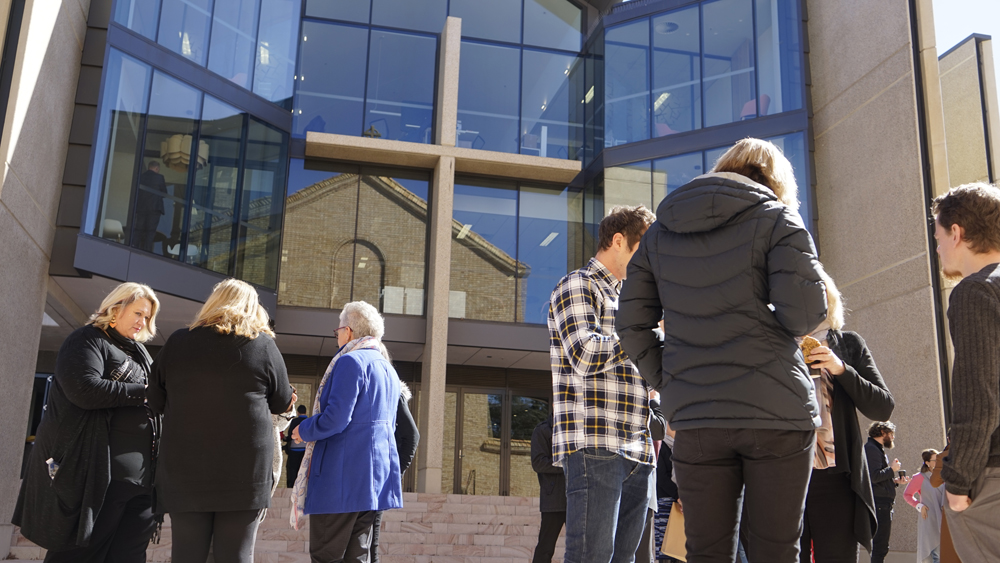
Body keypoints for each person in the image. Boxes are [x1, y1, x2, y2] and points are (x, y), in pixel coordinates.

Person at [617, 137, 827, 563]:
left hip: (698, 417)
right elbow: (804, 315)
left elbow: (631, 324)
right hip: (776, 410)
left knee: (706, 553)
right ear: (775, 180)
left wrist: (672, 382)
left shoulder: (659, 232)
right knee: (776, 551)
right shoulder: (778, 218)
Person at [147, 278, 295, 563]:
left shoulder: (177, 341)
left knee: (186, 557)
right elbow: (280, 402)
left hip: (184, 472)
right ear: (252, 308)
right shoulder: (263, 345)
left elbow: (154, 401)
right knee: (237, 556)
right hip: (244, 475)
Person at [13, 282, 161, 561]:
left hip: (143, 481)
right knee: (80, 554)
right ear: (116, 309)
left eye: (148, 317)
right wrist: (146, 393)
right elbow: (84, 389)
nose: (144, 321)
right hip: (99, 478)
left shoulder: (140, 354)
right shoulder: (88, 339)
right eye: (138, 313)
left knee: (128, 557)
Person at [548, 204, 657, 563]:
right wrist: (646, 335)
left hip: (640, 450)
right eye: (644, 248)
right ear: (618, 240)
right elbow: (584, 354)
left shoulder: (635, 300)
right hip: (595, 442)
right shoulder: (577, 284)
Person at [290, 301, 403, 563]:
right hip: (372, 483)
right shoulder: (388, 370)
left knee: (326, 555)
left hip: (341, 481)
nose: (337, 337)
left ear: (349, 331)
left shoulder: (350, 362)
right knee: (357, 557)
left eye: (338, 331)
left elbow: (335, 419)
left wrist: (302, 429)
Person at [797, 271, 895, 563]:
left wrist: (840, 368)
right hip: (783, 475)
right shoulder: (774, 344)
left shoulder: (847, 344)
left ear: (828, 298)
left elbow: (883, 407)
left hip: (835, 478)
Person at [932, 183, 1000, 562]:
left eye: (939, 237)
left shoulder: (976, 292)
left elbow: (980, 398)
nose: (939, 248)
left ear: (957, 232)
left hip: (992, 478)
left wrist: (958, 482)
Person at [370, 379, 419, 563]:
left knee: (369, 541)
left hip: (375, 479)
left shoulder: (392, 392)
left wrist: (395, 474)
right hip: (362, 476)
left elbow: (412, 435)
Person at [865, 421, 910, 563]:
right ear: (882, 433)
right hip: (880, 504)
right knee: (880, 546)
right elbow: (874, 476)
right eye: (891, 434)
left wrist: (895, 482)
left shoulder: (876, 448)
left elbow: (878, 479)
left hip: (883, 503)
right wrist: (892, 469)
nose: (893, 437)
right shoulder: (872, 449)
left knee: (881, 546)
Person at [530, 417, 566, 563]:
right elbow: (538, 463)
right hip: (553, 499)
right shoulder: (543, 430)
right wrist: (566, 465)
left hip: (578, 496)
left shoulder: (579, 428)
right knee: (545, 548)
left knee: (582, 547)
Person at [904, 449, 945, 563]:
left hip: (945, 518)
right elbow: (907, 495)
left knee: (942, 554)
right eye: (935, 460)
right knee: (932, 553)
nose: (938, 462)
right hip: (929, 517)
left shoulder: (944, 475)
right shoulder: (919, 477)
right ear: (927, 463)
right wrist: (919, 506)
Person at [133, 160, 167, 252]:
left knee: (138, 230)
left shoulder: (141, 177)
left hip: (141, 208)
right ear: (156, 168)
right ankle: (147, 251)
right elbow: (164, 193)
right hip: (154, 208)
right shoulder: (159, 177)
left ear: (149, 167)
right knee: (150, 231)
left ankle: (134, 248)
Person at [285, 405, 308, 487]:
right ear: (305, 412)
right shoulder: (308, 421)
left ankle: (292, 486)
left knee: (293, 469)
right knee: (302, 469)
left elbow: (290, 435)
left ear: (298, 412)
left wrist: (285, 439)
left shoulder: (294, 421)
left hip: (294, 450)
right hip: (305, 450)